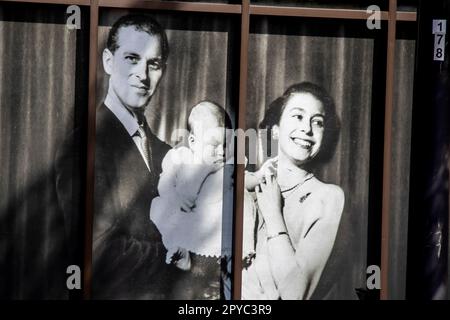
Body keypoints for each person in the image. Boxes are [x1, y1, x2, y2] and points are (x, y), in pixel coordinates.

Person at [90, 14, 174, 299]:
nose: (143, 74)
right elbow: (98, 250)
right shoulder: (86, 145)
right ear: (108, 62)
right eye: (132, 58)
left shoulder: (167, 153)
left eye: (154, 64)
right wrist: (176, 254)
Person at [242, 82, 345, 300]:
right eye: (298, 116)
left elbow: (294, 295)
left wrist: (273, 215)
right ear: (276, 130)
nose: (307, 129)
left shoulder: (328, 198)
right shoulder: (247, 187)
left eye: (317, 122)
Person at [150, 101, 234, 299]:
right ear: (194, 142)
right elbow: (167, 188)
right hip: (180, 212)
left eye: (225, 145)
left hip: (208, 226)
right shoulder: (181, 158)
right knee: (162, 211)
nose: (221, 152)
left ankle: (202, 261)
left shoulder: (224, 164)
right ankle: (181, 253)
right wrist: (204, 168)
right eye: (214, 145)